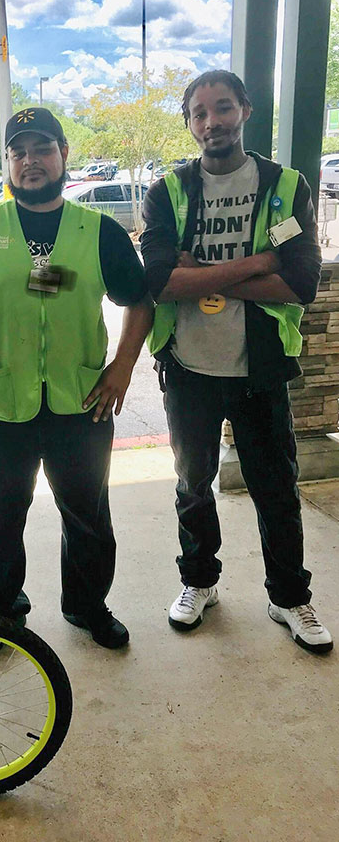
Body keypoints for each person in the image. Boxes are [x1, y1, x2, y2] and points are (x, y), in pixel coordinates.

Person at [0, 107, 152, 654]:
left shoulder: (98, 231)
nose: (30, 161)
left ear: (64, 155)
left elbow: (140, 301)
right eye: (18, 152)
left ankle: (86, 605)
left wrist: (122, 366)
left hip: (81, 403)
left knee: (88, 512)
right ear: (7, 163)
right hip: (0, 403)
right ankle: (2, 615)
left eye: (42, 149)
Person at [140, 70, 332, 653]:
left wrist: (197, 272)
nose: (212, 122)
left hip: (261, 370)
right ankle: (199, 583)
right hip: (189, 369)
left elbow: (300, 283)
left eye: (222, 108)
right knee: (192, 485)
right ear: (190, 123)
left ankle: (289, 596)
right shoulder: (166, 192)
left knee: (276, 487)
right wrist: (256, 264)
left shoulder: (283, 187)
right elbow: (157, 282)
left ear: (245, 109)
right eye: (199, 113)